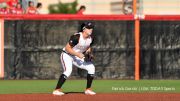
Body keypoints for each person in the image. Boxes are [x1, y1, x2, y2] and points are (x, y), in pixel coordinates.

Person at [53, 22, 96, 96]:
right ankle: (57, 90)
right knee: (68, 71)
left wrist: (89, 53)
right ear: (84, 29)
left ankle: (88, 90)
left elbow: (88, 46)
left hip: (77, 56)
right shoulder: (77, 37)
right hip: (67, 55)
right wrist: (77, 54)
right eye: (88, 28)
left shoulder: (91, 38)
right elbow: (67, 48)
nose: (91, 29)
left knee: (91, 67)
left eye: (91, 28)